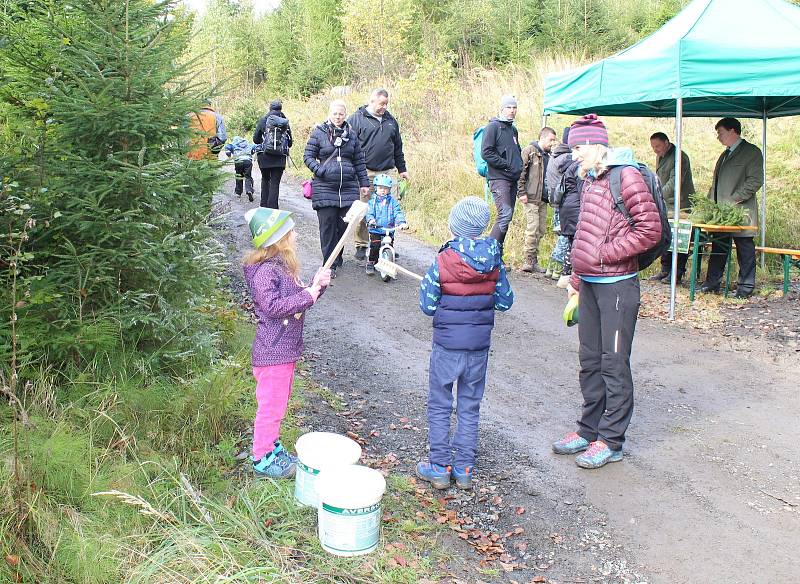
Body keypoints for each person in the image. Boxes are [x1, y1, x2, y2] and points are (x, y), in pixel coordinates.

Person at [551, 114, 661, 469]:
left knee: (613, 363)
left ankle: (611, 440)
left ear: (597, 145)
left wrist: (604, 255)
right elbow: (586, 234)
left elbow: (650, 230)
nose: (574, 155)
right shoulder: (590, 179)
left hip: (618, 287)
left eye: (579, 148)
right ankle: (588, 429)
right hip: (592, 286)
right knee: (590, 361)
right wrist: (578, 281)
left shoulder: (625, 175)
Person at [416, 197, 514, 490]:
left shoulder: (443, 260)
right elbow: (505, 301)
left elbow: (427, 305)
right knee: (470, 405)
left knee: (440, 404)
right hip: (478, 350)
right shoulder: (495, 260)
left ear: (455, 225)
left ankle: (438, 466)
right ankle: (464, 468)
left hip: (447, 347)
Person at [243, 207, 332, 478]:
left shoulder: (281, 267)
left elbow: (299, 301)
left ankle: (272, 446)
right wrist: (308, 295)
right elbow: (272, 306)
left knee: (278, 405)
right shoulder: (264, 272)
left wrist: (318, 286)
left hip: (285, 350)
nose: (295, 235)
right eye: (291, 231)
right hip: (273, 352)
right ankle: (262, 457)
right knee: (269, 407)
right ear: (278, 238)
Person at [304, 100, 370, 278]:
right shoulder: (318, 133)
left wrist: (364, 184)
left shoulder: (352, 135)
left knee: (343, 227)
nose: (338, 117)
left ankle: (337, 257)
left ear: (345, 114)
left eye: (341, 113)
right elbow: (308, 156)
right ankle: (329, 264)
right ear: (329, 114)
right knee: (327, 228)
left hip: (348, 188)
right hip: (325, 187)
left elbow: (359, 161)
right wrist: (319, 170)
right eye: (335, 113)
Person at [699, 118, 763, 299]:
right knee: (718, 248)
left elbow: (755, 181)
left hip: (741, 213)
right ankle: (711, 284)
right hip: (720, 215)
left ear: (733, 131)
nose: (718, 137)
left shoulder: (752, 152)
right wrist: (709, 205)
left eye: (721, 133)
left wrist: (733, 200)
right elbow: (715, 184)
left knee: (745, 249)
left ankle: (746, 287)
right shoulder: (724, 154)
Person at [348, 88, 409, 261]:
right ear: (372, 101)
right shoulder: (356, 119)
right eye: (381, 103)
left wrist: (402, 169)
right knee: (365, 210)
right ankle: (361, 244)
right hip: (365, 172)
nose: (384, 107)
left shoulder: (391, 121)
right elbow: (349, 146)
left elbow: (398, 147)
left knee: (389, 210)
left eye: (386, 104)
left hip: (387, 173)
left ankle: (385, 244)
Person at [648, 132, 696, 283]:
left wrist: (658, 196)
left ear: (667, 142)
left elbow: (675, 181)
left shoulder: (679, 156)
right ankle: (665, 269)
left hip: (680, 205)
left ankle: (677, 272)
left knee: (680, 239)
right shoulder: (660, 156)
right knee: (666, 237)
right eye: (653, 147)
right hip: (666, 205)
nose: (655, 149)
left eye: (658, 146)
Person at [481, 95, 523, 257]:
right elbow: (486, 152)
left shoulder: (513, 130)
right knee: (504, 214)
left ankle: (496, 253)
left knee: (507, 216)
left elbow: (516, 152)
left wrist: (517, 168)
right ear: (502, 109)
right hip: (499, 178)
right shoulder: (493, 127)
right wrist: (506, 164)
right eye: (509, 107)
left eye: (514, 107)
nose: (512, 110)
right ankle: (488, 254)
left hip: (512, 178)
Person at [518, 127, 558, 273]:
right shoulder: (530, 151)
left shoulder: (549, 155)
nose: (553, 143)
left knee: (540, 230)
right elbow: (520, 172)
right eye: (551, 139)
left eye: (554, 140)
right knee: (532, 229)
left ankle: (534, 260)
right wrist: (521, 192)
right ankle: (528, 260)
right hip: (530, 197)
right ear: (542, 138)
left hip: (543, 198)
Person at [548, 127, 584, 288]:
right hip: (576, 208)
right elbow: (582, 189)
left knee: (569, 242)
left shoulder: (558, 160)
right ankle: (570, 278)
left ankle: (562, 274)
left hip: (565, 207)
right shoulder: (578, 167)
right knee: (576, 243)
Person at [364, 174, 408, 275]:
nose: (383, 190)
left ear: (389, 189)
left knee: (390, 245)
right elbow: (369, 212)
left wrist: (402, 222)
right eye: (380, 188)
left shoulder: (393, 202)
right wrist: (371, 220)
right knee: (375, 246)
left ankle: (388, 262)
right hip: (376, 229)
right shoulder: (373, 202)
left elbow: (398, 212)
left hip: (389, 229)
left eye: (386, 188)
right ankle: (371, 262)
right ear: (375, 188)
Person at [253, 100, 293, 209]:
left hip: (264, 156)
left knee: (265, 179)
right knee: (275, 183)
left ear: (270, 108)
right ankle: (273, 207)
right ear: (281, 108)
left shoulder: (263, 120)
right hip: (280, 158)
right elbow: (290, 143)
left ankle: (263, 205)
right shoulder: (284, 122)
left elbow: (256, 140)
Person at [224, 136, 256, 202]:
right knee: (248, 177)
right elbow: (255, 147)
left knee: (239, 176)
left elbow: (227, 146)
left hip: (238, 161)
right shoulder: (248, 144)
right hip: (248, 161)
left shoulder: (234, 144)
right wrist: (252, 153)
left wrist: (229, 154)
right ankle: (249, 190)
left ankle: (238, 193)